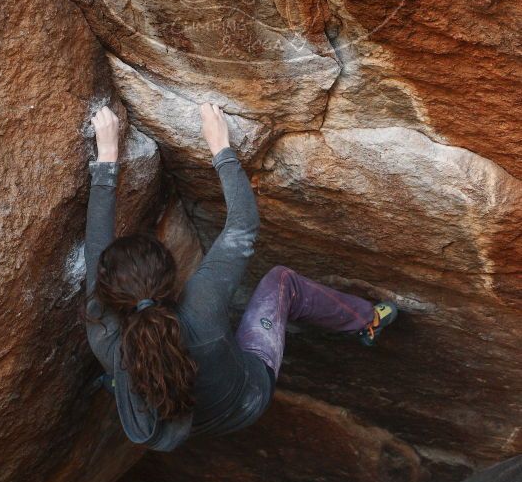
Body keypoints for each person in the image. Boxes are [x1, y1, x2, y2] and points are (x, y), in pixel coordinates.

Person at [84, 103, 397, 451]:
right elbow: (243, 226)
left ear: (110, 294)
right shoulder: (200, 305)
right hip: (246, 398)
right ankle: (366, 320)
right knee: (282, 281)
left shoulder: (106, 338)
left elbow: (95, 250)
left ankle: (122, 383)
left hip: (185, 420)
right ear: (171, 278)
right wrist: (221, 147)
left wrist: (107, 154)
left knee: (132, 368)